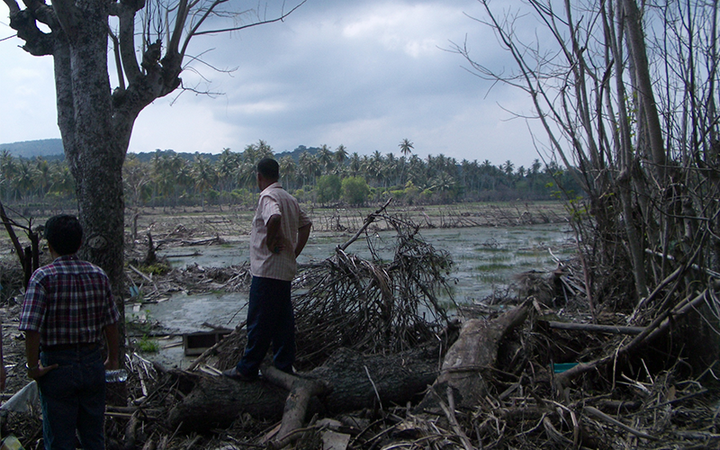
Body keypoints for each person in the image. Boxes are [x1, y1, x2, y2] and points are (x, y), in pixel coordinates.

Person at [19, 214, 120, 450]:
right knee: (94, 438)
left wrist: (33, 367)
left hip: (56, 367)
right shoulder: (98, 274)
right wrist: (112, 358)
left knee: (59, 440)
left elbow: (31, 328)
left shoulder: (43, 277)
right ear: (81, 242)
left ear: (49, 245)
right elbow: (111, 323)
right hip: (92, 362)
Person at [224, 158, 312, 381]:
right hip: (283, 270)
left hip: (266, 270)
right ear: (278, 174)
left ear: (259, 176)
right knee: (283, 322)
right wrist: (294, 250)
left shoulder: (268, 196)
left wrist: (272, 242)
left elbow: (274, 217)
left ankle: (247, 368)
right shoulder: (289, 198)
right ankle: (283, 364)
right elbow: (306, 224)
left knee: (259, 320)